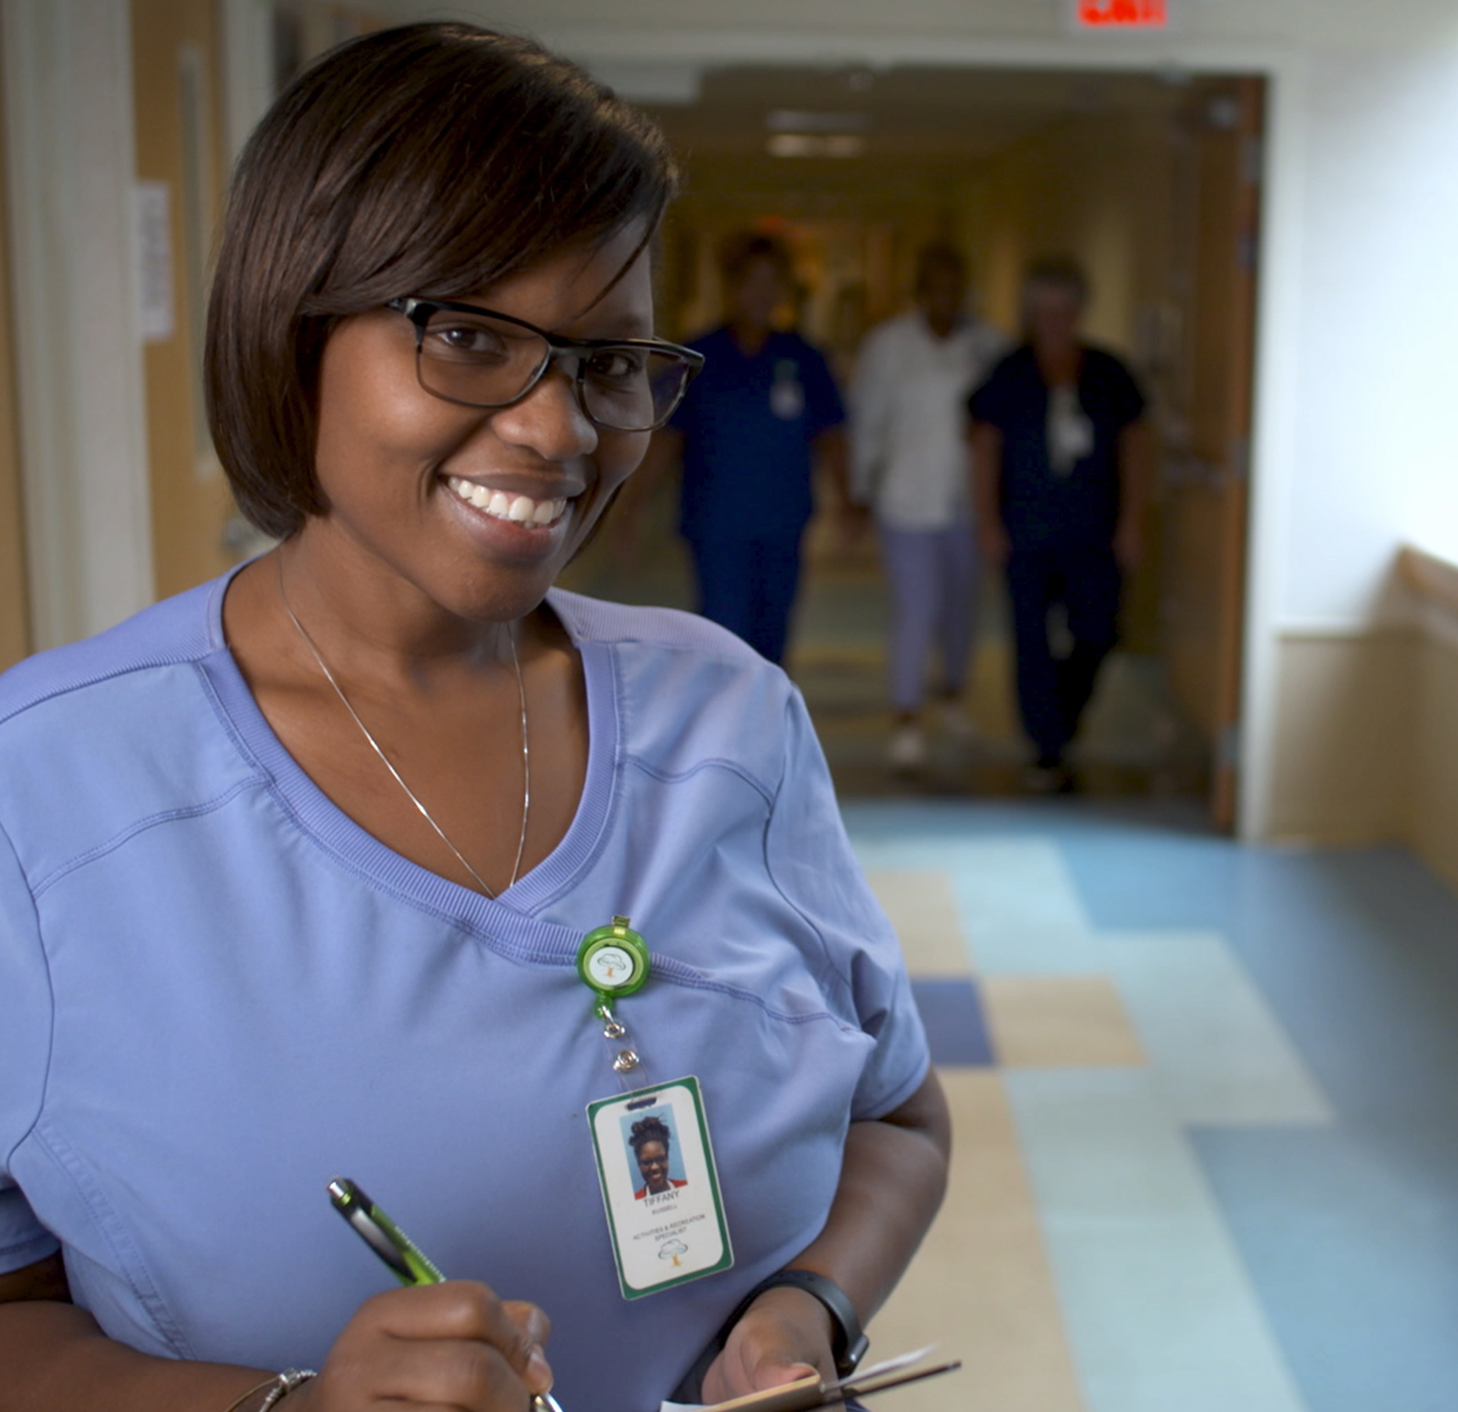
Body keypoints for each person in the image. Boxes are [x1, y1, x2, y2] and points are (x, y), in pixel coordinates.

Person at [0, 23, 949, 1412]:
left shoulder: (728, 720)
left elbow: (899, 1112)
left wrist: (802, 1318)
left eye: (607, 360)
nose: (558, 428)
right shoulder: (46, 795)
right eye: (466, 334)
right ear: (295, 322)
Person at [968, 256, 1152, 792]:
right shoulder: (1009, 374)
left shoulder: (1109, 374)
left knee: (1099, 631)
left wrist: (1134, 522)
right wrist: (986, 523)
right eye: (1043, 310)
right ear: (1030, 313)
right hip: (1025, 529)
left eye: (1063, 309)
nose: (1053, 321)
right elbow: (984, 448)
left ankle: (1064, 715)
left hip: (1095, 529)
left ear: (1079, 311)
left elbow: (1136, 449)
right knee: (1030, 639)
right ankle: (1046, 747)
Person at [638, 233, 849, 665]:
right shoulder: (697, 357)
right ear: (732, 286)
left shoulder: (805, 359)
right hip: (717, 525)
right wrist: (629, 509)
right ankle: (726, 725)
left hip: (783, 523)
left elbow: (832, 437)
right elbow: (666, 440)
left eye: (773, 281)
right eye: (752, 281)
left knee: (773, 632)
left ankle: (765, 724)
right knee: (722, 631)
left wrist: (848, 502)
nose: (762, 293)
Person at [850, 243, 1006, 771]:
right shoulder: (888, 346)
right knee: (916, 611)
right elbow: (867, 422)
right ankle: (907, 721)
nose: (947, 296)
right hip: (905, 501)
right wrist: (859, 493)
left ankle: (955, 699)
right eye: (936, 285)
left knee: (962, 610)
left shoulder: (989, 346)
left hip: (968, 504)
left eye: (955, 285)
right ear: (919, 291)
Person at [629, 1117, 688, 1199]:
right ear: (639, 1165)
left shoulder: (687, 1188)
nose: (654, 1167)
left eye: (660, 1159)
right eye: (646, 1162)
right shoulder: (635, 1200)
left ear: (667, 1158)